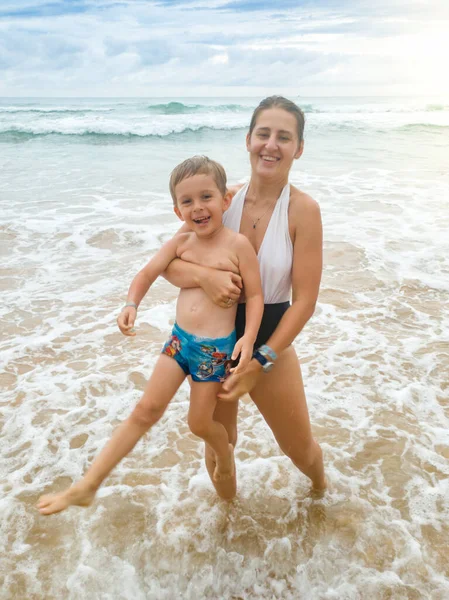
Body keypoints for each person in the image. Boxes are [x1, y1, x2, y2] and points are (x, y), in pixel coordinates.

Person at [37, 156, 263, 515]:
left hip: (213, 351)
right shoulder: (181, 244)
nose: (198, 207)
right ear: (177, 211)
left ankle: (223, 453)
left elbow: (255, 296)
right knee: (145, 409)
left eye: (206, 196)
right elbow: (146, 273)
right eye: (187, 201)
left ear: (225, 200)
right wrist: (131, 303)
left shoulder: (238, 246)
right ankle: (87, 486)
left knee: (200, 423)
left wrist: (248, 338)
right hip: (179, 341)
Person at [163, 96, 327, 500]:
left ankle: (322, 493)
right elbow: (167, 264)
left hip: (270, 339)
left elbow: (305, 301)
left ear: (298, 149)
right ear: (248, 140)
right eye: (263, 134)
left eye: (284, 137)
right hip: (213, 339)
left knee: (299, 449)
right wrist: (205, 276)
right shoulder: (221, 202)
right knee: (222, 444)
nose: (271, 145)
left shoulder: (303, 211)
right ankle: (228, 515)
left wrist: (262, 359)